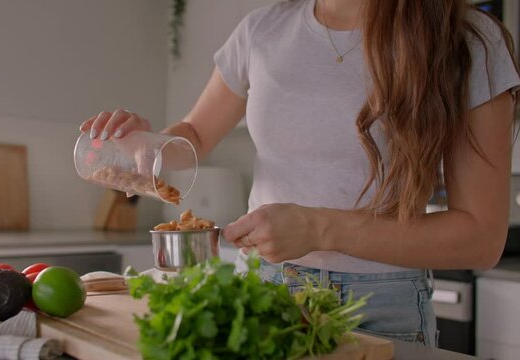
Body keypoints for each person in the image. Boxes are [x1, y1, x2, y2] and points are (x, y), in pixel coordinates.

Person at [80, 0, 519, 346]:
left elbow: (480, 239)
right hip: (267, 292)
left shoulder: (467, 41)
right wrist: (149, 144)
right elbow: (194, 133)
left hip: (383, 306)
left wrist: (318, 228)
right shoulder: (262, 30)